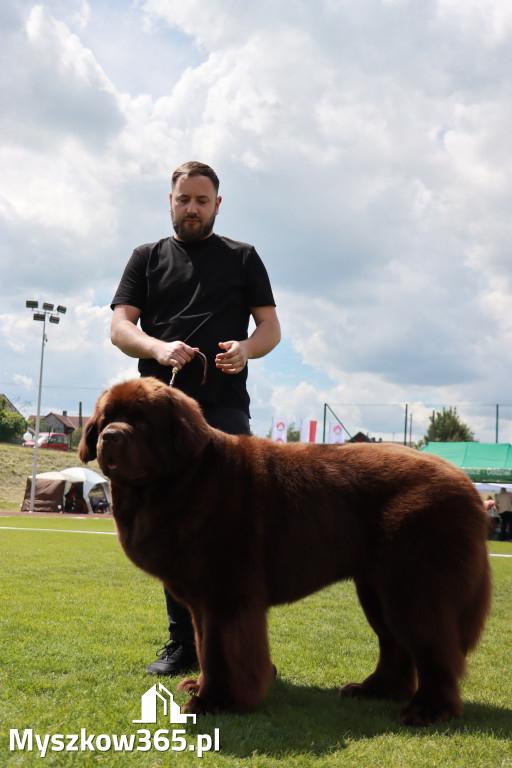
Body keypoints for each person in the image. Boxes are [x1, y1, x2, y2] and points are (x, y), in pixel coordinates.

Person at [110, 160, 281, 675]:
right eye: (184, 199)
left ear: (217, 205)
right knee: (171, 529)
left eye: (202, 201)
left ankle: (246, 649)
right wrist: (158, 349)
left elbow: (270, 327)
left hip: (225, 410)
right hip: (160, 420)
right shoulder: (146, 257)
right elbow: (120, 327)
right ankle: (184, 643)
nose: (192, 208)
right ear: (170, 200)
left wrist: (247, 350)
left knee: (234, 533)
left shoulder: (244, 257)